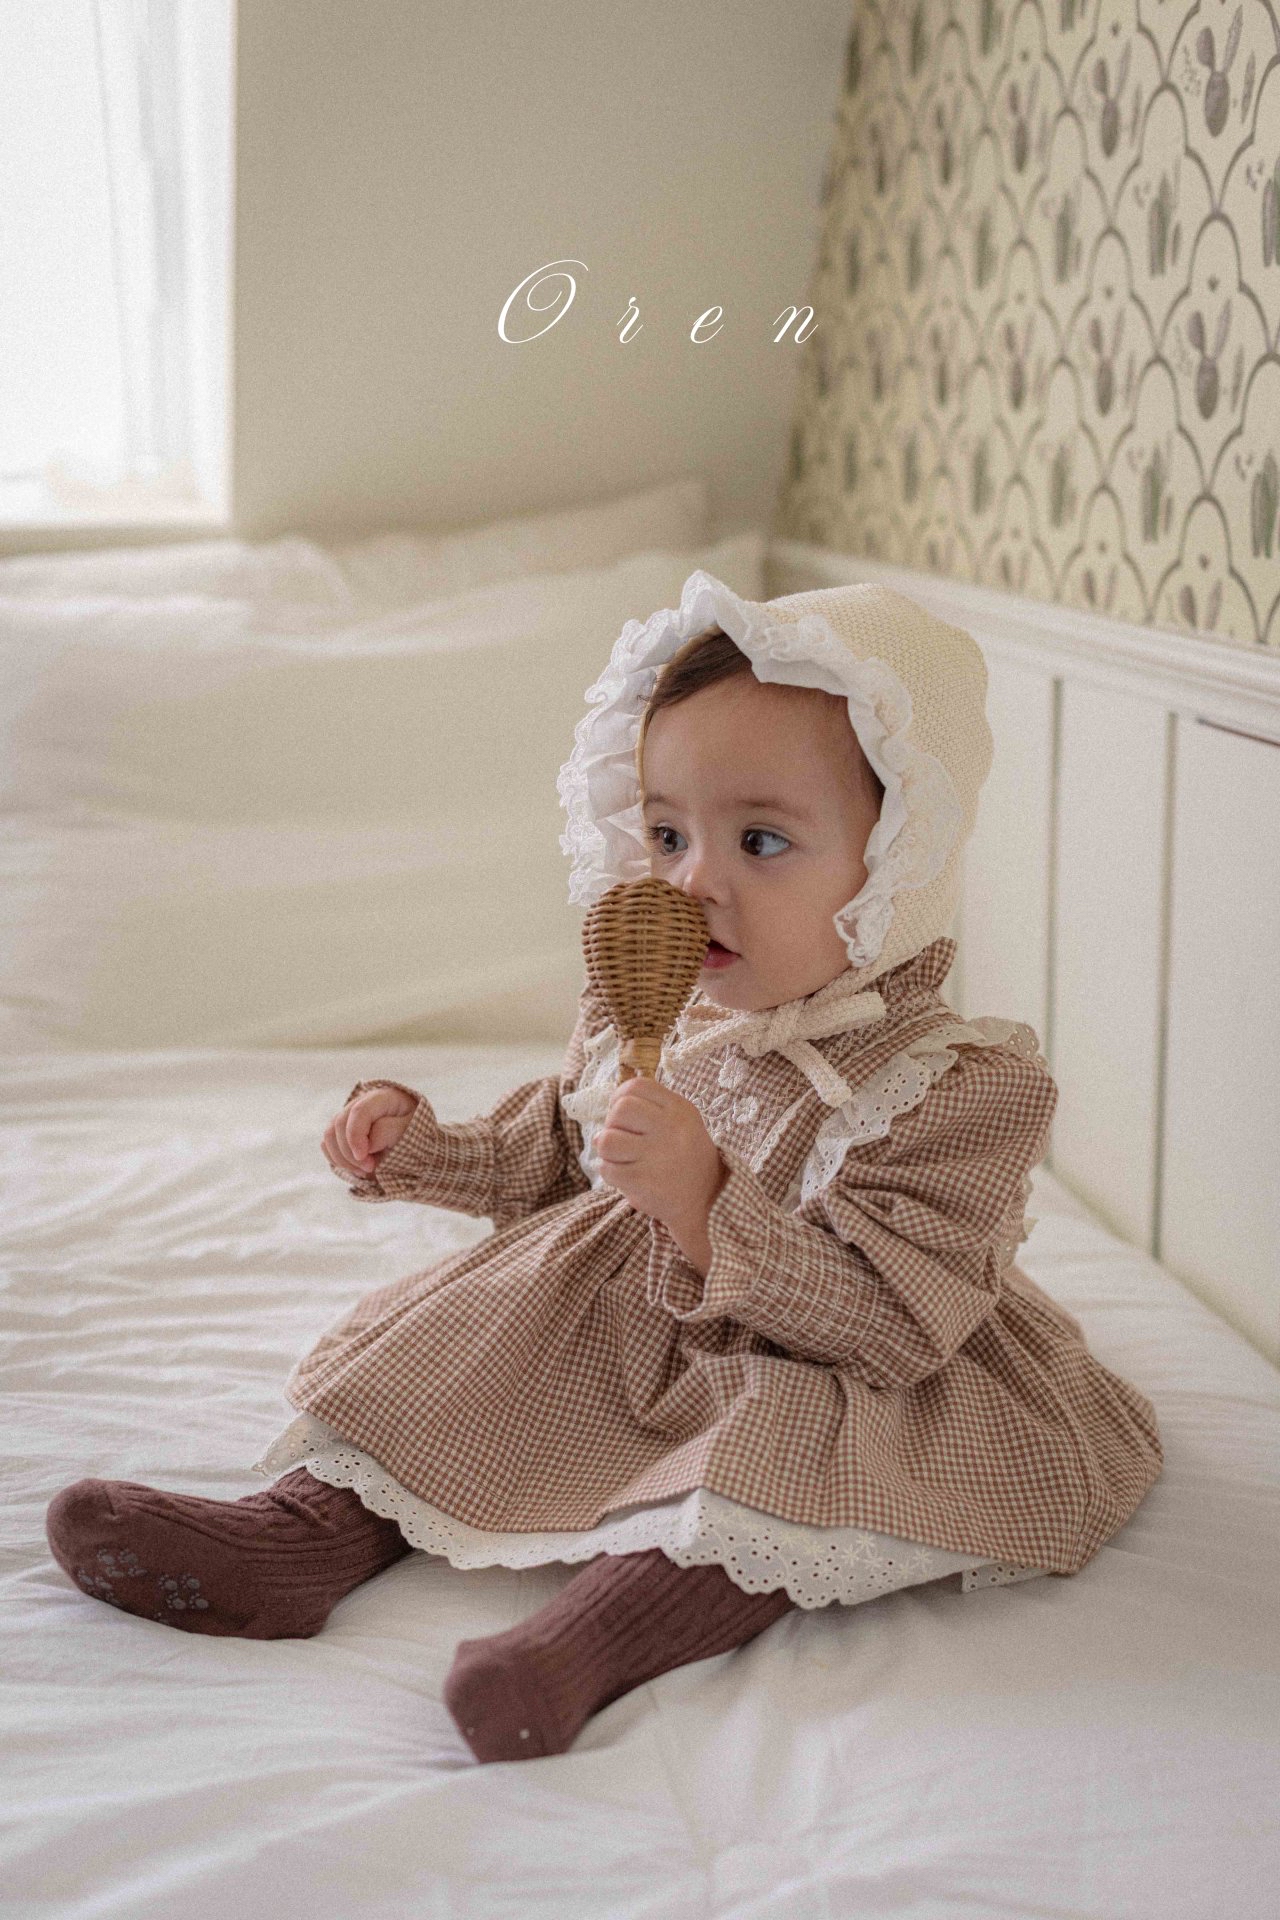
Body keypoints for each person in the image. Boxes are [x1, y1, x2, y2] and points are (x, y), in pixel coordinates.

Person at [45, 571, 1164, 1765]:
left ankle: (581, 1647)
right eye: (668, 834)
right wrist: (422, 1148)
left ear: (898, 860)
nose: (692, 882)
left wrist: (706, 1201)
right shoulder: (652, 1002)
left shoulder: (950, 1084)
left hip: (821, 1357)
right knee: (462, 1348)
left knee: (767, 1456)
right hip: (622, 1331)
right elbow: (551, 1162)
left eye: (761, 841)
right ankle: (295, 1541)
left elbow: (894, 1321)